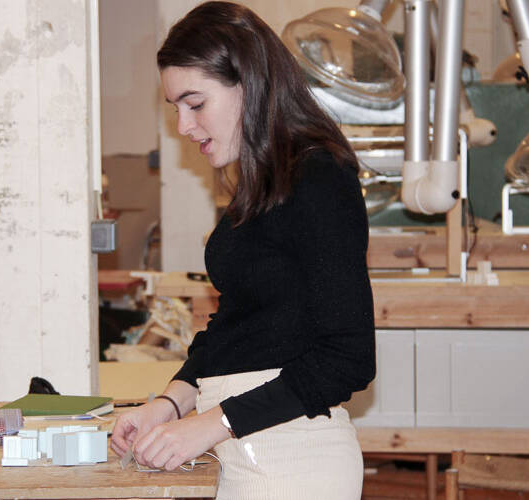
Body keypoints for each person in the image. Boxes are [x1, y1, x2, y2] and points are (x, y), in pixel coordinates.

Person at [109, 2, 376, 499]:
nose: (185, 127)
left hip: (292, 455)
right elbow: (236, 326)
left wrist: (211, 424)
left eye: (195, 103)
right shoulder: (260, 185)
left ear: (249, 83)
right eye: (176, 109)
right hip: (245, 441)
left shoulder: (319, 177)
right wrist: (170, 404)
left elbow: (348, 358)